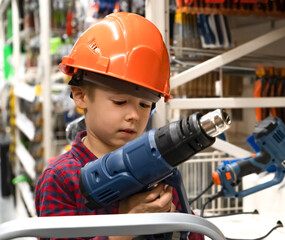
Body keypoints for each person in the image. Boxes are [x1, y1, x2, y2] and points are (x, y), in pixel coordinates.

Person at [35, 12, 204, 240]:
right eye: (120, 102)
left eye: (145, 105)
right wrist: (125, 228)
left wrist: (175, 224)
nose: (134, 115)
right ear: (80, 95)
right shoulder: (61, 178)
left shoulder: (156, 170)